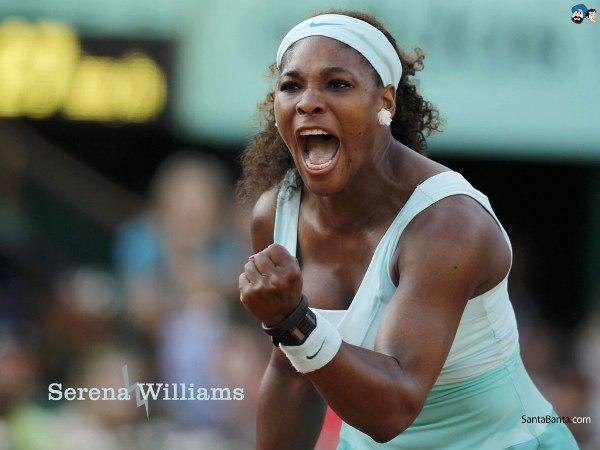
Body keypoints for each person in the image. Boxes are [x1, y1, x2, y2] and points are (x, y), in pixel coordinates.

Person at [237, 9, 579, 450]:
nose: (308, 102)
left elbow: (393, 410)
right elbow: (291, 374)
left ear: (385, 103)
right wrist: (293, 329)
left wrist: (293, 322)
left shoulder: (449, 223)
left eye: (337, 84)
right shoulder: (276, 214)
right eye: (292, 86)